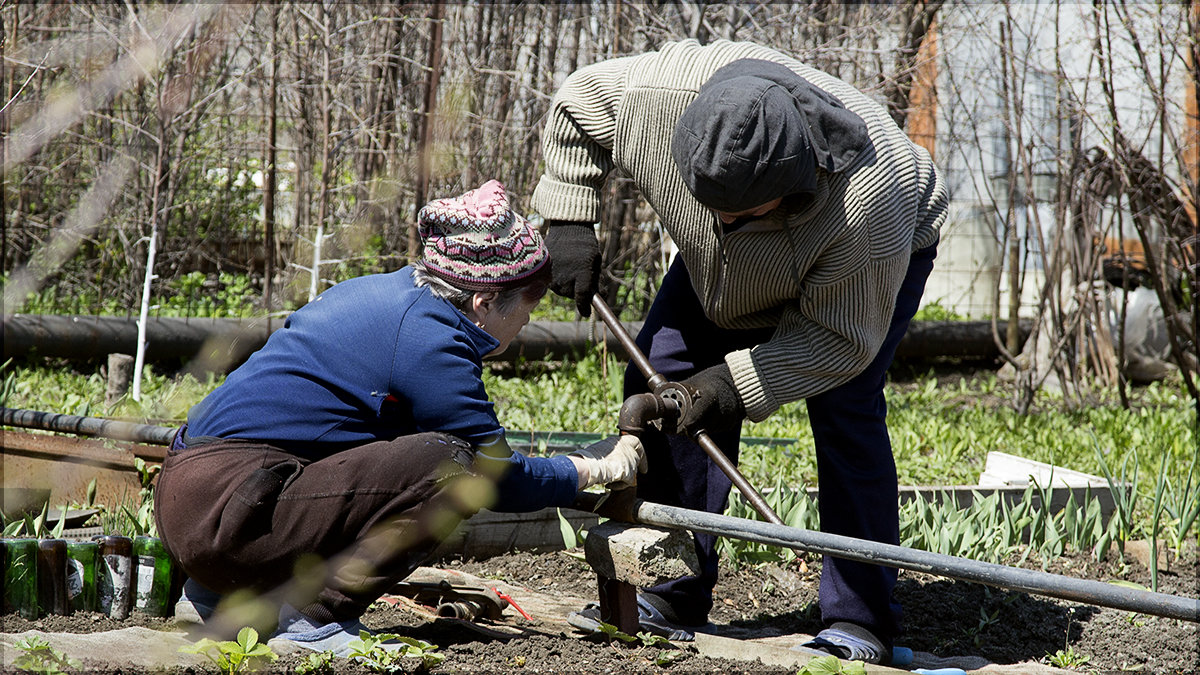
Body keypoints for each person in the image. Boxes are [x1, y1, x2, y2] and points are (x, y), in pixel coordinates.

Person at [532, 40, 946, 665]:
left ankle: (860, 620)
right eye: (711, 206)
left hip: (859, 259)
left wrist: (729, 387)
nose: (723, 221)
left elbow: (838, 343)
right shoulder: (658, 99)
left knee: (846, 408)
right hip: (714, 272)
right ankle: (668, 588)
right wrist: (568, 218)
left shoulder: (869, 194)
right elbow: (576, 103)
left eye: (740, 212)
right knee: (665, 381)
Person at [154, 180, 646, 656]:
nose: (525, 325)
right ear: (485, 300)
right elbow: (500, 479)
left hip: (194, 500)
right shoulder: (430, 341)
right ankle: (316, 622)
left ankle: (220, 600)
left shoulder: (384, 295)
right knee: (453, 466)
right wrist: (593, 466)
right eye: (526, 310)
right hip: (231, 515)